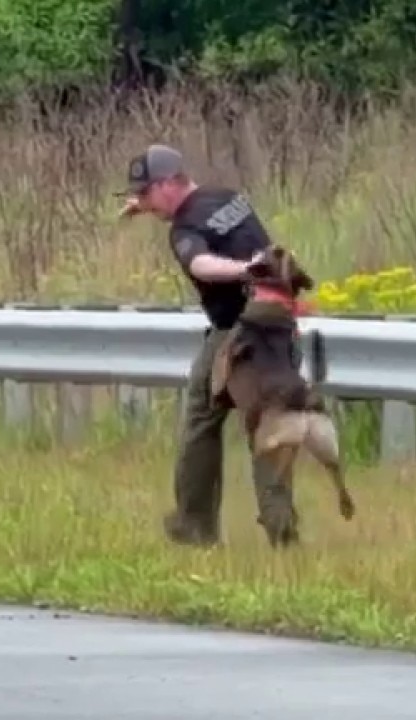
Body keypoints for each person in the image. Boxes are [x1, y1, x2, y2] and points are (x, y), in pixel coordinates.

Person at [118, 143, 300, 547]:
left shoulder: (184, 229)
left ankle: (196, 527)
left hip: (238, 333)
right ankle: (282, 535)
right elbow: (210, 223)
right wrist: (141, 205)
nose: (146, 203)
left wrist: (241, 269)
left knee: (207, 425)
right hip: (278, 324)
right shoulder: (228, 197)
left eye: (148, 193)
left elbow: (202, 263)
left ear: (168, 184)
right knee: (269, 425)